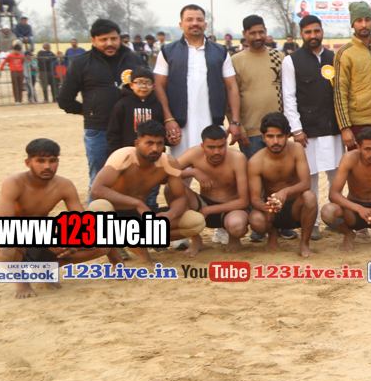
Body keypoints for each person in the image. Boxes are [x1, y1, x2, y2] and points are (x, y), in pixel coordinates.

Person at [0, 138, 119, 298]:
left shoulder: (64, 185)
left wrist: (72, 244)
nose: (47, 166)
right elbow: (5, 227)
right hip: (20, 242)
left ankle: (44, 271)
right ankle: (22, 281)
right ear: (28, 163)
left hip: (47, 240)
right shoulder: (13, 183)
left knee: (101, 244)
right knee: (3, 247)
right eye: (40, 161)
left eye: (52, 161)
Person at [89, 121, 207, 263]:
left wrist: (170, 214)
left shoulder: (168, 162)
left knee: (195, 222)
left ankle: (137, 242)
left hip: (140, 218)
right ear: (137, 144)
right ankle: (115, 255)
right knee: (99, 207)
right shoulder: (124, 156)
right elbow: (96, 190)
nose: (155, 148)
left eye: (159, 144)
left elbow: (180, 198)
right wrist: (137, 203)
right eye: (149, 143)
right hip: (116, 215)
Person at [57, 18, 148, 189]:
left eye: (113, 38)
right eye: (103, 39)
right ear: (93, 41)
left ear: (119, 38)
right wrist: (89, 111)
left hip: (131, 130)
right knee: (99, 180)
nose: (109, 43)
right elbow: (64, 99)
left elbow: (147, 90)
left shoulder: (133, 59)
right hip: (98, 131)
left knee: (134, 179)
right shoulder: (81, 62)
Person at [281, 14, 344, 243]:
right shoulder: (291, 61)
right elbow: (289, 97)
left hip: (334, 129)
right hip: (307, 132)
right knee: (310, 178)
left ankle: (335, 219)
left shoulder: (334, 58)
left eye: (316, 31)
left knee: (336, 175)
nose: (313, 35)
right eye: (308, 32)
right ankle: (313, 222)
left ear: (322, 32)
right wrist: (296, 130)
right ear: (301, 34)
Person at [155, 4, 245, 157]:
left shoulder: (220, 52)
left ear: (205, 24)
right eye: (189, 20)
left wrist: (235, 122)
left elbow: (231, 87)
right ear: (181, 24)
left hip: (212, 122)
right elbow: (158, 86)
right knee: (180, 167)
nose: (195, 23)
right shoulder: (167, 52)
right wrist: (168, 119)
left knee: (214, 166)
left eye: (199, 20)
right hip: (180, 124)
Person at [247, 112, 318, 257]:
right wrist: (267, 206)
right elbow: (255, 199)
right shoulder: (255, 161)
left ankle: (304, 243)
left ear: (287, 136)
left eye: (279, 136)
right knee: (256, 220)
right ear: (263, 137)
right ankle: (272, 234)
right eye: (270, 136)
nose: (275, 141)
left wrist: (285, 192)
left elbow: (306, 183)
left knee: (310, 197)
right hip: (272, 210)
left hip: (295, 207)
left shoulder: (296, 149)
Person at [173, 125, 251, 256]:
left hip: (231, 208)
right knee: (171, 187)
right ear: (202, 146)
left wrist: (209, 210)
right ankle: (195, 239)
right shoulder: (194, 153)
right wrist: (193, 172)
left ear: (226, 144)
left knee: (237, 226)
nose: (216, 152)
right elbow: (165, 173)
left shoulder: (237, 158)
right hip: (202, 204)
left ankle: (234, 238)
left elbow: (244, 201)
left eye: (221, 147)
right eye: (211, 147)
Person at [333, 1, 371, 150]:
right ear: (353, 24)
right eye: (359, 20)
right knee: (359, 165)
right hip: (358, 126)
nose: (364, 24)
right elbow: (339, 93)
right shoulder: (344, 53)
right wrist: (345, 127)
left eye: (367, 20)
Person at [231, 14, 284, 160]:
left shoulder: (278, 57)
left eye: (261, 32)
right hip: (250, 133)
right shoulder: (235, 61)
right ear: (244, 34)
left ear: (266, 31)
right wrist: (240, 127)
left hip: (277, 131)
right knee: (255, 172)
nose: (258, 37)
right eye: (252, 33)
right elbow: (230, 97)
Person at [106, 66, 165, 157]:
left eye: (148, 83)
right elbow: (113, 132)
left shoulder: (157, 106)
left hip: (152, 152)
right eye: (139, 82)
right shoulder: (122, 105)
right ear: (131, 85)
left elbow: (161, 130)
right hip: (127, 152)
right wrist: (116, 153)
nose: (144, 86)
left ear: (153, 86)